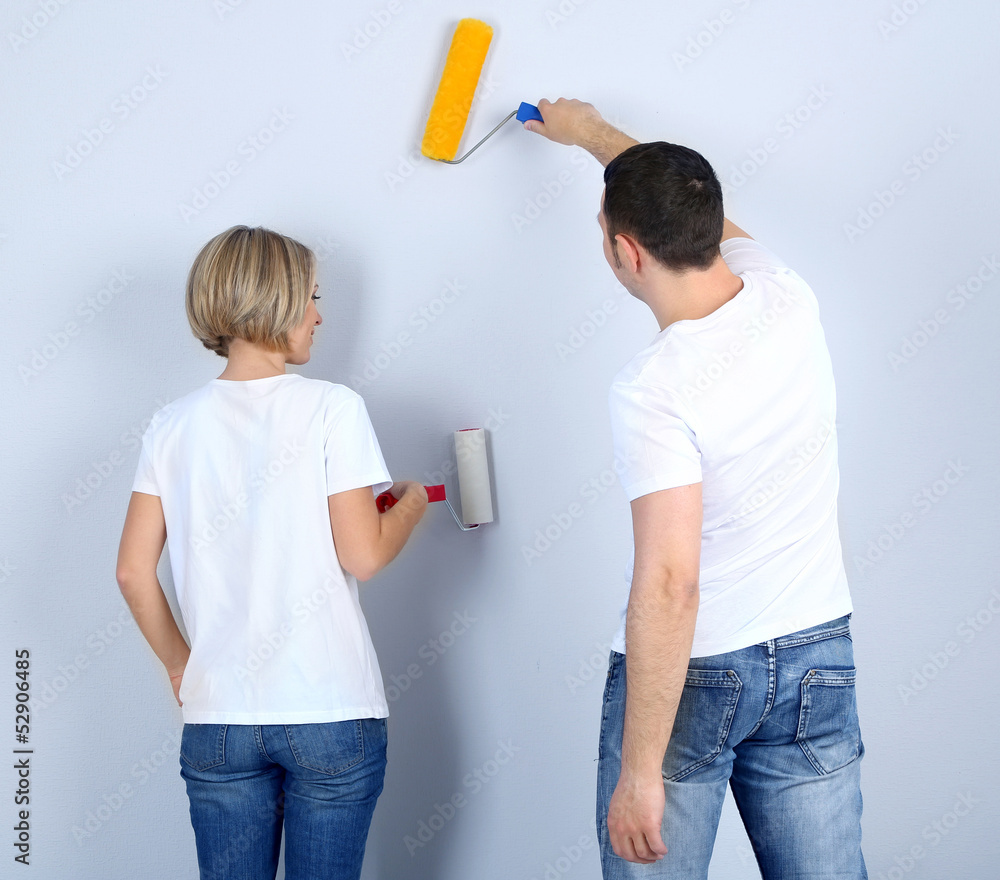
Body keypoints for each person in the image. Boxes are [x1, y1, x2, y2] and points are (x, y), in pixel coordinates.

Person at [524, 100, 867, 879]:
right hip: (817, 650)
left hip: (696, 674)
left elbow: (672, 582)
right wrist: (593, 135)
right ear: (709, 223)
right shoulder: (787, 293)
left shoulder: (654, 388)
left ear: (625, 252)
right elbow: (689, 203)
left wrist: (640, 772)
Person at [115, 225, 428, 880]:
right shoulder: (332, 408)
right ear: (278, 301)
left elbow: (132, 571)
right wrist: (411, 505)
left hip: (219, 719)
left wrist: (180, 666)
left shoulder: (171, 425)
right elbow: (364, 556)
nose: (320, 315)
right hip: (329, 712)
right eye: (312, 297)